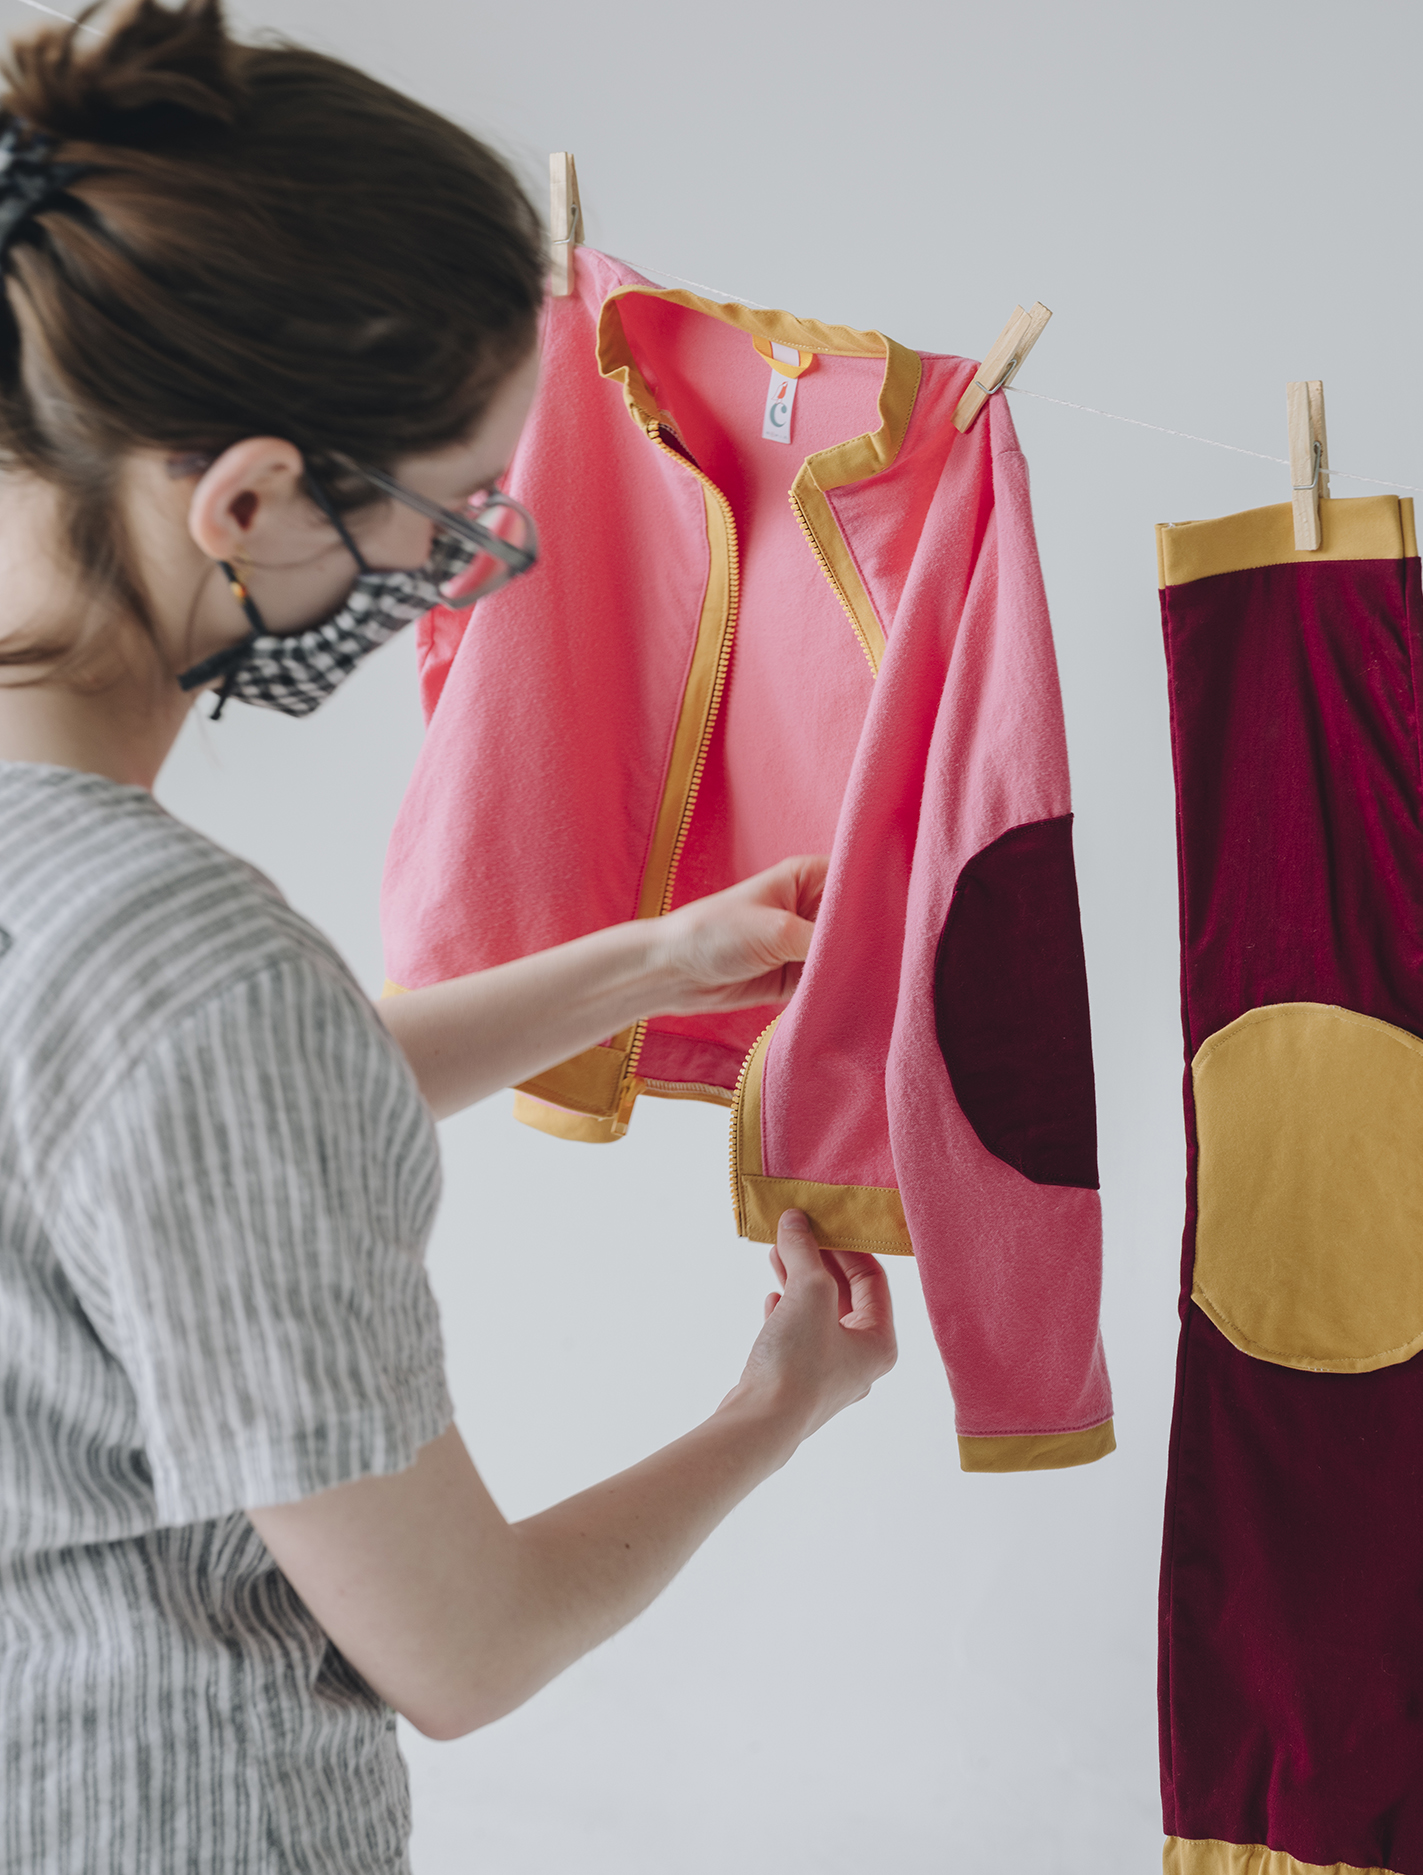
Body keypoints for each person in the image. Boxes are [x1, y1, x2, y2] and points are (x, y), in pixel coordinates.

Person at [0, 3, 897, 1869]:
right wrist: (777, 1405)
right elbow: (462, 1649)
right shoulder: (197, 975)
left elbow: (133, 1153)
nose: (465, 566)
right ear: (245, 501)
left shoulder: (125, 961)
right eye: (449, 510)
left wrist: (651, 964)